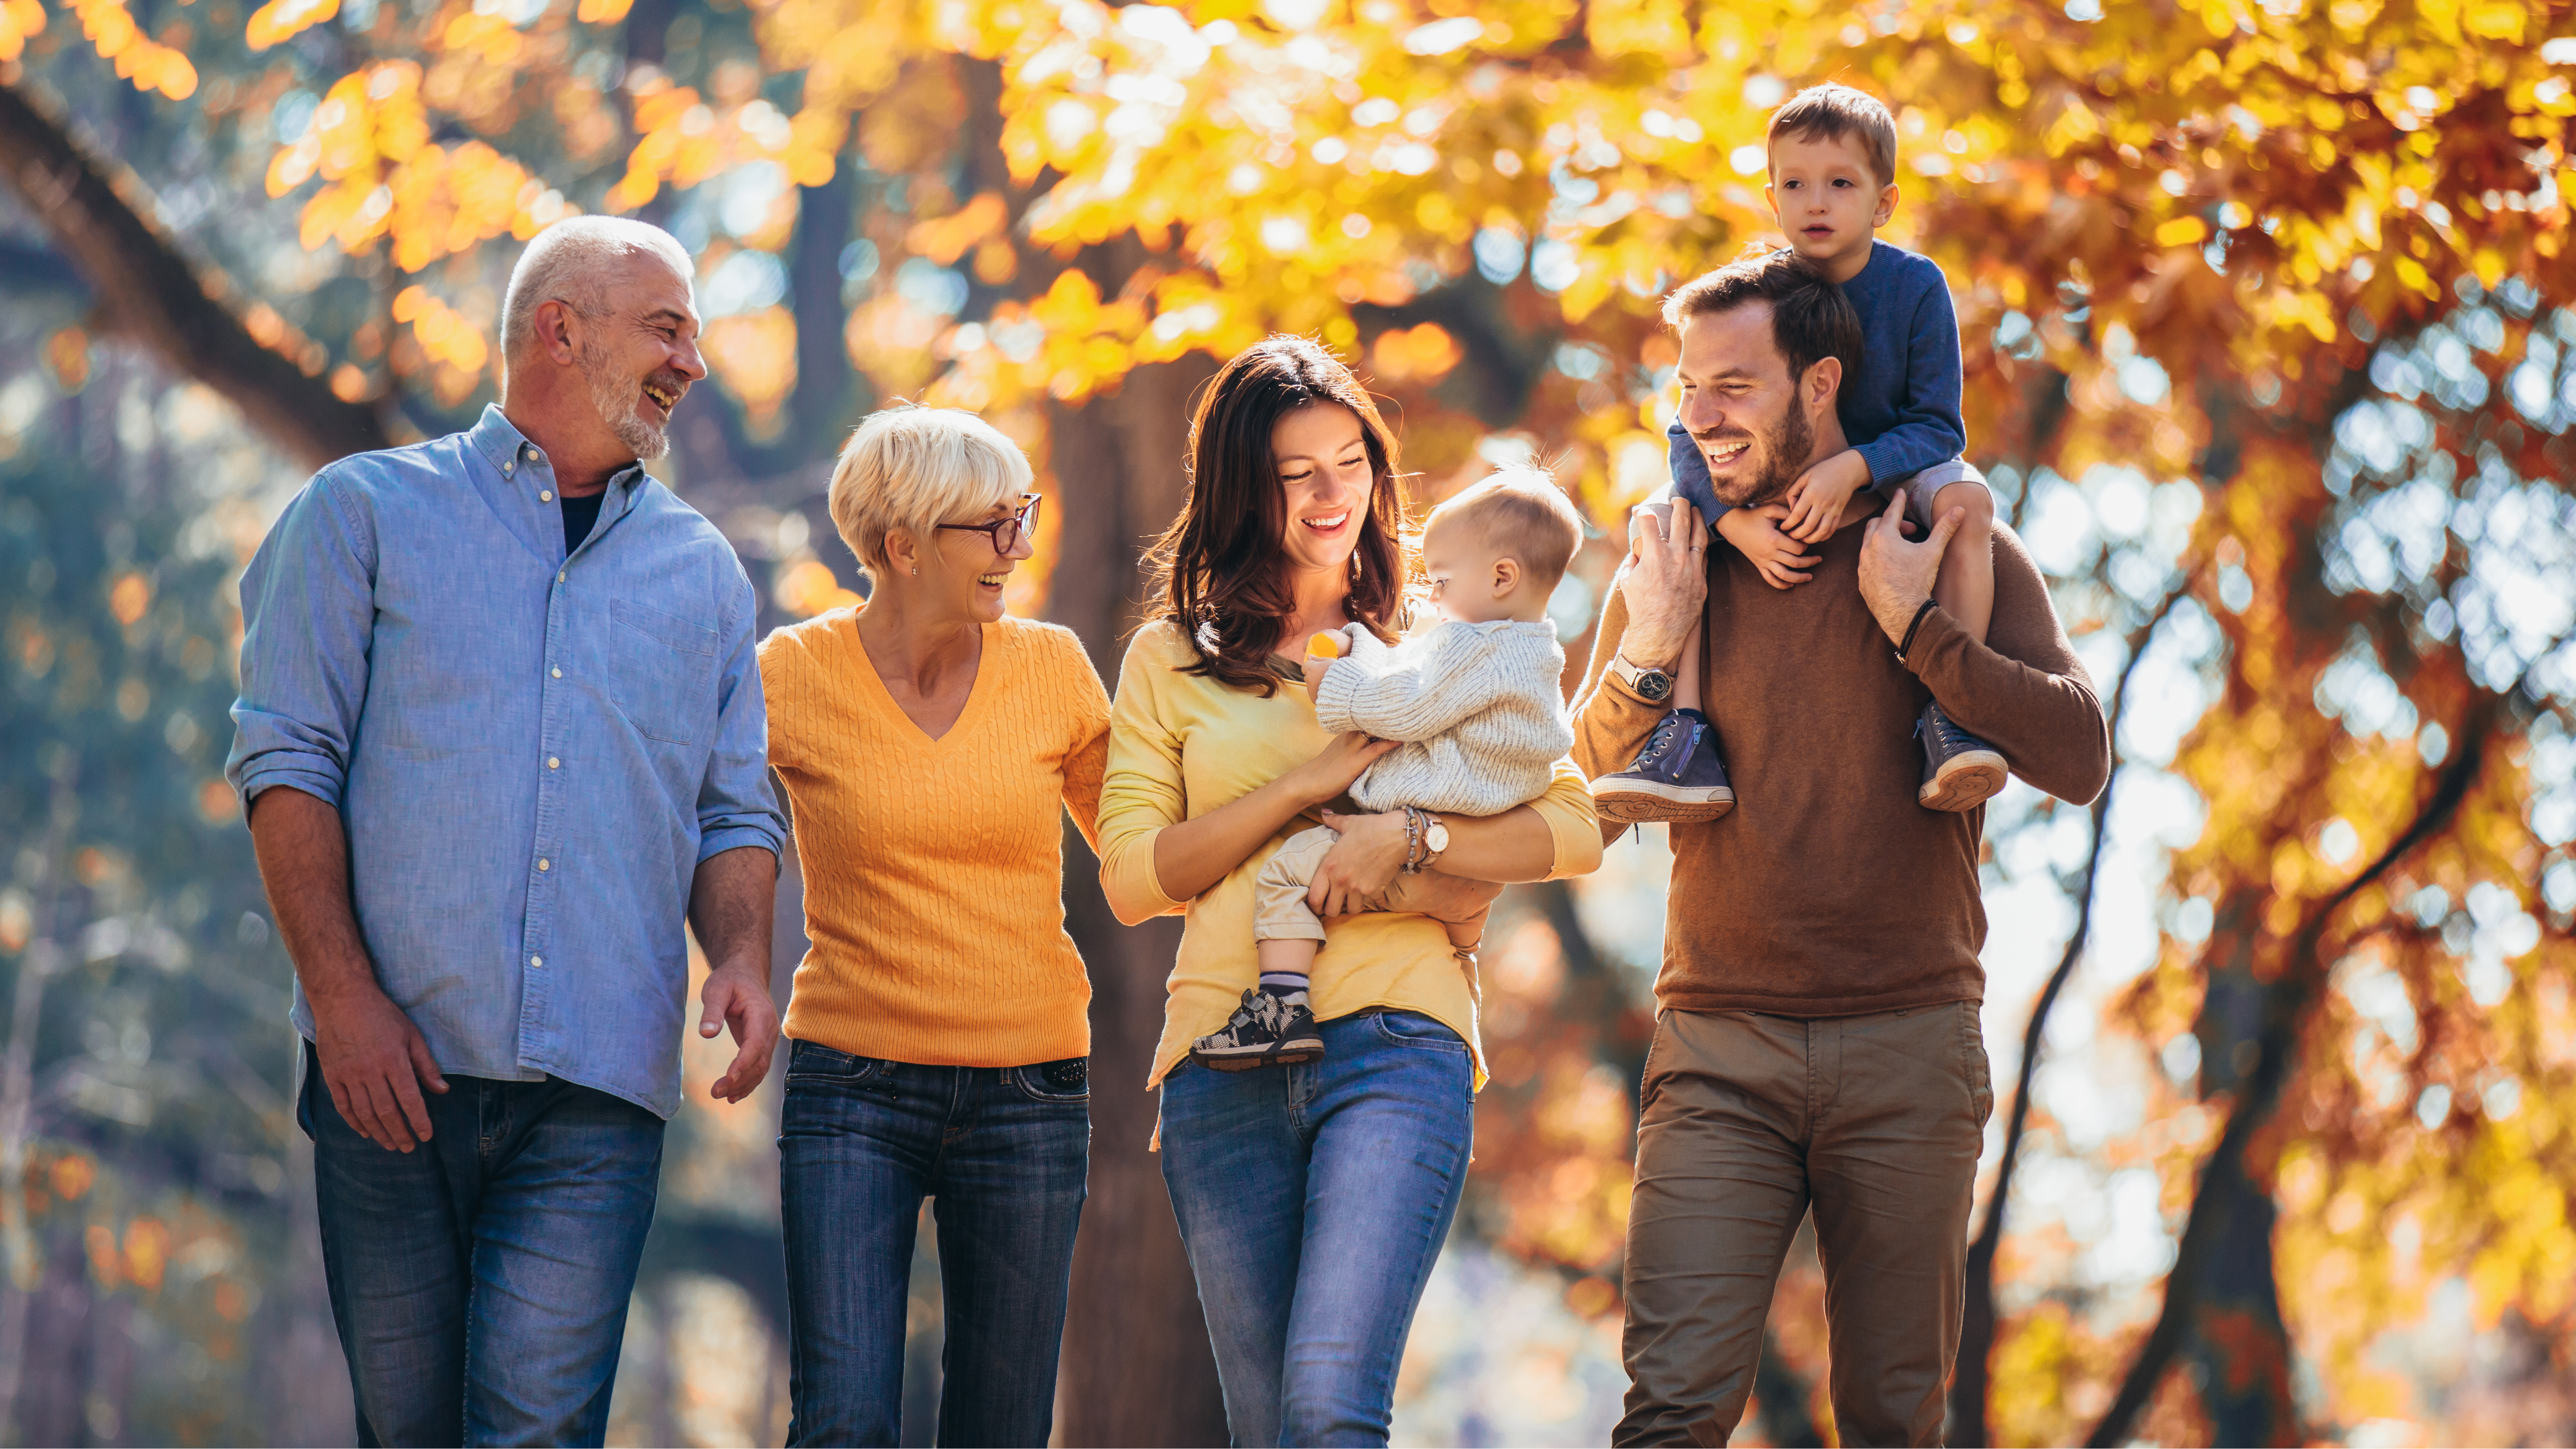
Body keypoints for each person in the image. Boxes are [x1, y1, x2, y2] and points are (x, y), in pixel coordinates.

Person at [225, 216, 785, 1447]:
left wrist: (740, 955)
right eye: (668, 330)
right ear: (561, 328)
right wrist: (341, 995)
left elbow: (732, 806)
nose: (695, 363)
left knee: (534, 1431)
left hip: (595, 1091)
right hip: (389, 1073)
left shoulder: (702, 573)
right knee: (412, 1431)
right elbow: (284, 759)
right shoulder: (360, 512)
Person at [1577, 248, 2110, 1446]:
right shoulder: (1677, 555)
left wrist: (1918, 630)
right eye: (1685, 387)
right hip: (1718, 1047)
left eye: (1733, 387)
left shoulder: (1941, 536)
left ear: (1820, 383)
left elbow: (2079, 758)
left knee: (1891, 1420)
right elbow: (1580, 802)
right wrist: (1652, 647)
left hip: (1907, 1045)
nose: (1697, 417)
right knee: (1668, 1414)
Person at [1096, 337, 1604, 1446]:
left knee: (1329, 1409)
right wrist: (1311, 781)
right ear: (1241, 490)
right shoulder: (1167, 660)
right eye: (1298, 474)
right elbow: (1135, 878)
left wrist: (1411, 835)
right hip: (1219, 1066)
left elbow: (1573, 826)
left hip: (1393, 1040)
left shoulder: (1445, 635)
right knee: (1271, 1428)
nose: (1335, 496)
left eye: (1352, 462)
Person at [759, 405, 1109, 1448]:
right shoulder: (792, 674)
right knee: (844, 1423)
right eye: (990, 526)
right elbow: (700, 818)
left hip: (1032, 1091)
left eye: (1024, 516)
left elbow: (1149, 862)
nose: (1020, 546)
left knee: (1001, 1431)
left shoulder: (1053, 669)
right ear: (900, 545)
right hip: (852, 1087)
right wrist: (727, 961)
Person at [1594, 81, 2007, 823]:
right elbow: (1690, 429)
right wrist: (1728, 520)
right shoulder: (1766, 292)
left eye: (1841, 184)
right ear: (1772, 197)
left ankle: (1953, 712)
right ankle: (1685, 736)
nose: (1816, 203)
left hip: (1895, 474)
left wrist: (1855, 467)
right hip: (1759, 486)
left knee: (1968, 502)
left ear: (1883, 203)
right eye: (1795, 184)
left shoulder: (1916, 288)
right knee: (1668, 523)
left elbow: (1940, 427)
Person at [1191, 466, 1584, 1070]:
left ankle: (1281, 1006)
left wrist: (1335, 683)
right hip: (1475, 831)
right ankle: (1463, 973)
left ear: (1502, 576)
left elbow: (1408, 704)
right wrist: (1363, 646)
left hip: (1426, 809)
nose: (1433, 597)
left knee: (1286, 876)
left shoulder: (1470, 645)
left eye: (1445, 580)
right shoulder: (1532, 650)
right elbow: (1416, 670)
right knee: (1462, 917)